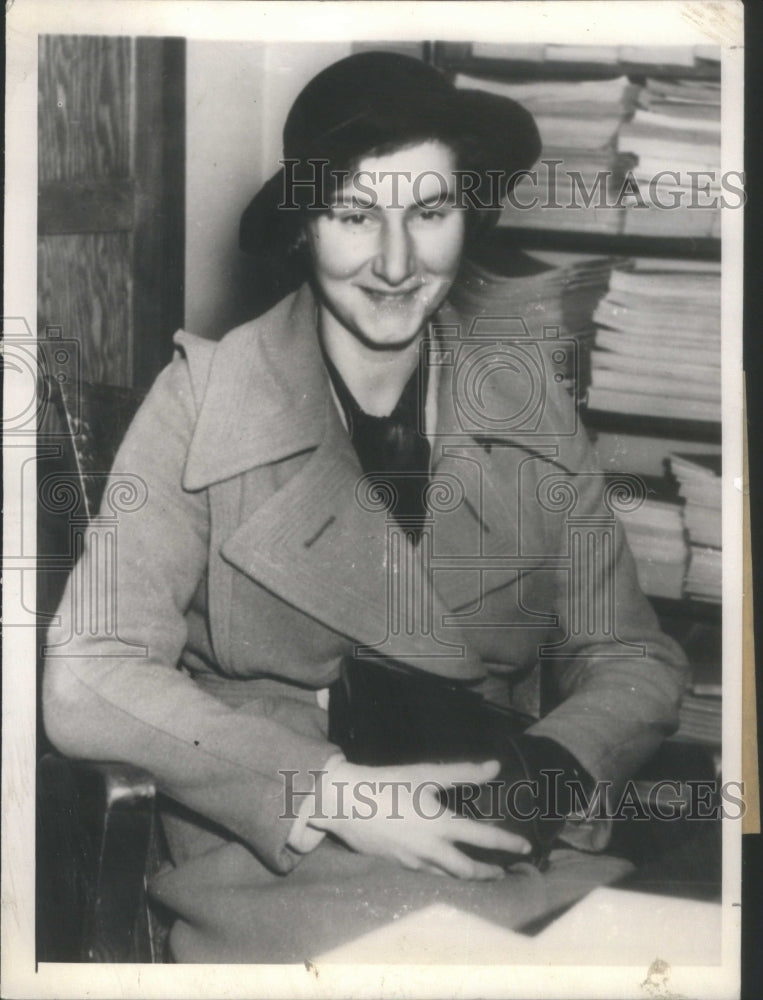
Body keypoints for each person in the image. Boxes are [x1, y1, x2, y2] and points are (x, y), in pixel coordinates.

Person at [43, 51, 688, 962]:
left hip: (503, 831)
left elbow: (629, 652)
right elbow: (90, 673)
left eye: (429, 212)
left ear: (468, 216)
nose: (395, 262)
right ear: (305, 225)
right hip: (292, 860)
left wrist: (548, 771)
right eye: (354, 215)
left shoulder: (524, 400)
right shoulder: (204, 398)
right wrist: (330, 790)